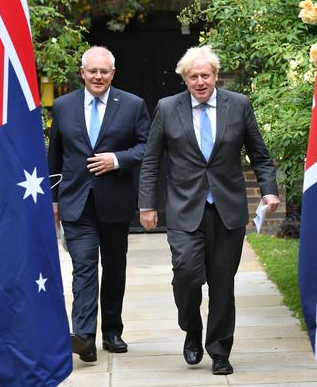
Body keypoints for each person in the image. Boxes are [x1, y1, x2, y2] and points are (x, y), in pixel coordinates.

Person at [138, 45, 279, 375]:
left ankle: (219, 350)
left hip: (227, 209)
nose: (200, 81)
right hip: (185, 208)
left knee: (222, 283)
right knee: (186, 273)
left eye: (205, 75)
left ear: (215, 76)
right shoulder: (167, 108)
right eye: (193, 76)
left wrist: (269, 191)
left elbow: (259, 154)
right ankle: (192, 329)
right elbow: (150, 159)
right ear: (184, 79)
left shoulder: (238, 105)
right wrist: (147, 204)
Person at [48, 46, 150, 363]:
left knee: (114, 268)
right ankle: (85, 337)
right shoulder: (63, 107)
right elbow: (55, 156)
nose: (98, 76)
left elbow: (147, 148)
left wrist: (117, 159)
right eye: (92, 71)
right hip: (75, 202)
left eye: (104, 71)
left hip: (115, 202)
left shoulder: (133, 105)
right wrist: (52, 200)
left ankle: (112, 331)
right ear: (82, 72)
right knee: (84, 268)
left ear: (112, 74)